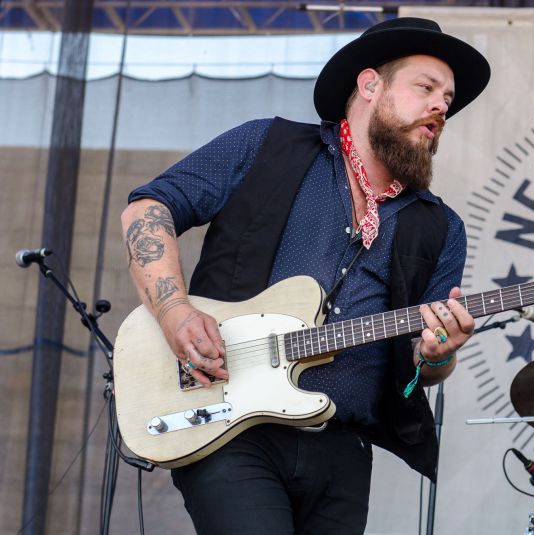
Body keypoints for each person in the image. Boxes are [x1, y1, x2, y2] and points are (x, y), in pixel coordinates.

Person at [120, 17, 490, 534]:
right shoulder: (264, 145)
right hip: (230, 429)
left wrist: (438, 353)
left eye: (447, 99)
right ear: (369, 85)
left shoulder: (440, 226)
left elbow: (420, 366)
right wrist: (174, 310)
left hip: (343, 447)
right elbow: (147, 210)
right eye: (425, 88)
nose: (440, 106)